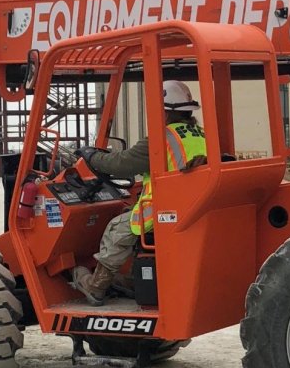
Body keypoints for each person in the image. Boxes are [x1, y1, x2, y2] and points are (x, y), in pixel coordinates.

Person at [71, 80, 208, 305]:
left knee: (116, 230)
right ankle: (133, 279)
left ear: (164, 111)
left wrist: (91, 156)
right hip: (191, 207)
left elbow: (121, 164)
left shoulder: (162, 138)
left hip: (165, 209)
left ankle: (96, 287)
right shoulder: (200, 135)